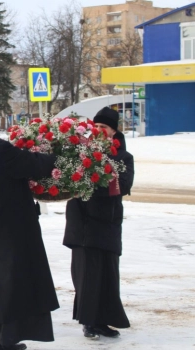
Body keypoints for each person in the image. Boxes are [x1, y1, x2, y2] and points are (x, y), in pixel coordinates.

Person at [0, 99, 59, 350]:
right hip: (12, 226)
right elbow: (35, 166)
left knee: (6, 281)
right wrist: (57, 154)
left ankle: (4, 337)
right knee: (13, 282)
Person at [63, 107, 134, 339]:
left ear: (114, 131)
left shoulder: (124, 157)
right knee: (88, 275)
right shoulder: (80, 151)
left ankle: (104, 320)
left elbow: (123, 185)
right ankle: (89, 322)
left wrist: (94, 181)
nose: (100, 131)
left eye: (105, 127)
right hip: (83, 223)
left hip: (108, 223)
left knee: (107, 275)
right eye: (97, 127)